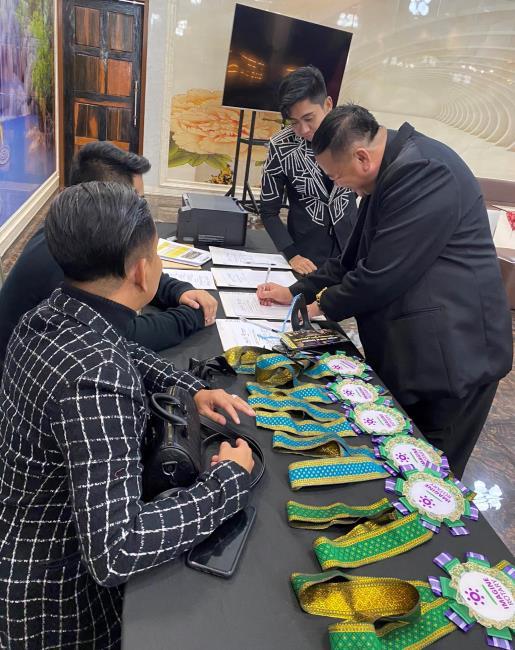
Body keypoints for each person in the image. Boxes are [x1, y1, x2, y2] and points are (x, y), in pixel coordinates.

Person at [0, 182, 255, 649]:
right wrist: (226, 484)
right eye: (157, 255)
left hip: (20, 542)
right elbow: (117, 551)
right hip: (57, 606)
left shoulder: (47, 314)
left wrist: (188, 387)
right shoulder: (98, 381)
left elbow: (118, 346)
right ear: (141, 270)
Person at [257, 104, 512, 478]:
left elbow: (381, 275)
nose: (339, 186)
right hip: (417, 352)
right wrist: (298, 291)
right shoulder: (390, 170)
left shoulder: (425, 171)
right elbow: (350, 259)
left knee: (426, 476)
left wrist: (318, 306)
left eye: (337, 176)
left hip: (453, 360)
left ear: (361, 157)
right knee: (394, 456)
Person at [0, 142, 218, 369]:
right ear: (108, 200)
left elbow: (134, 267)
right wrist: (192, 316)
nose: (143, 211)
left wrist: (179, 291)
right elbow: (124, 334)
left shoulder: (78, 229)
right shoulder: (64, 258)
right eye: (137, 201)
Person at [260, 66, 357, 275]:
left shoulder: (352, 136)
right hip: (306, 254)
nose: (303, 130)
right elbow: (268, 211)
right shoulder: (281, 146)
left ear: (328, 105)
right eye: (294, 122)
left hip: (351, 248)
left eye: (309, 118)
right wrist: (292, 254)